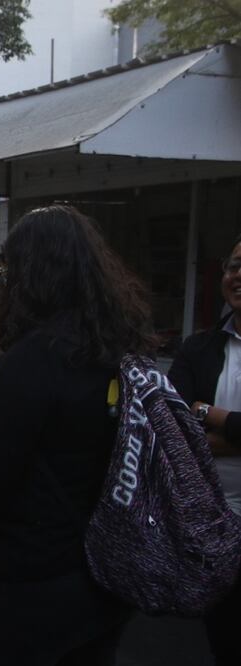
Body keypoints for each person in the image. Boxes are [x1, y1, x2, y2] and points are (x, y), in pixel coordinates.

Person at [0, 205, 156, 665]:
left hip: (26, 578)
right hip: (103, 574)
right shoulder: (117, 352)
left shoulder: (34, 362)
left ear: (31, 275)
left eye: (10, 267)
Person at [167, 235, 241, 666]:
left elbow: (193, 419)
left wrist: (210, 413)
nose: (238, 275)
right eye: (233, 266)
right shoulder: (199, 348)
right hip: (215, 526)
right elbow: (172, 425)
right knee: (225, 639)